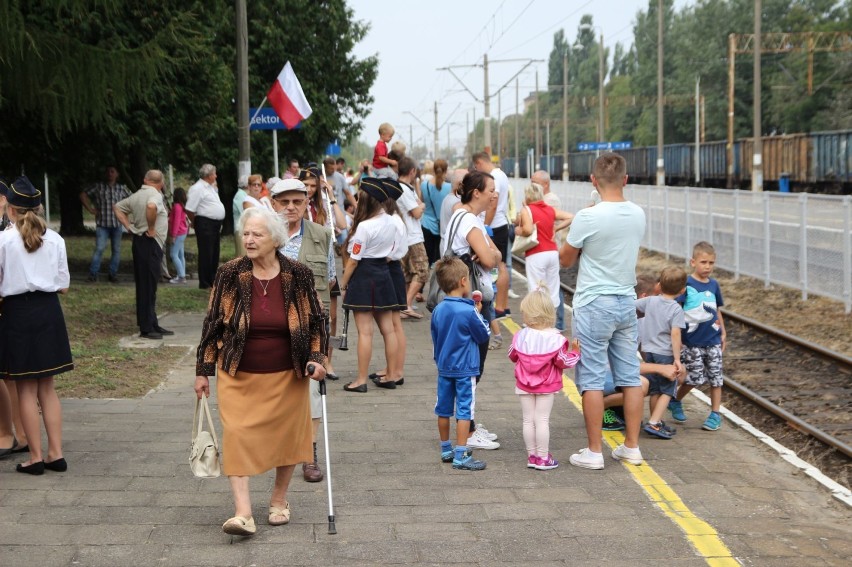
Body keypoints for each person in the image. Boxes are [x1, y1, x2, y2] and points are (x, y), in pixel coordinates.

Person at [194, 206, 328, 536]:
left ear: (275, 239)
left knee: (287, 439)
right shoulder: (229, 273)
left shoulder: (298, 274)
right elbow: (212, 323)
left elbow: (315, 321)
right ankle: (243, 513)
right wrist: (202, 370)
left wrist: (318, 358)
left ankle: (279, 500)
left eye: (258, 234)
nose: (250, 240)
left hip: (287, 374)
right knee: (237, 436)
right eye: (247, 233)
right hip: (238, 373)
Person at [559, 153, 646, 470]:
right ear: (626, 179)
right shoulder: (638, 214)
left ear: (593, 181)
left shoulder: (587, 216)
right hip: (626, 302)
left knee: (592, 379)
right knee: (630, 378)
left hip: (594, 304)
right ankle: (631, 447)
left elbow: (566, 260)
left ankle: (594, 452)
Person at [0, 176, 73, 475]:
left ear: (11, 210)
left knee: (26, 389)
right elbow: (64, 286)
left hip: (18, 313)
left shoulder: (3, 241)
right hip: (49, 311)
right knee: (48, 388)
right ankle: (56, 453)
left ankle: (35, 456)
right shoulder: (55, 239)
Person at [268, 178, 335, 482]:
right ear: (274, 204)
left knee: (311, 391)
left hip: (309, 327)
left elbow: (330, 281)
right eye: (285, 202)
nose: (291, 207)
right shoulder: (263, 234)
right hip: (270, 326)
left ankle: (309, 454)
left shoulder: (322, 235)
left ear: (308, 203)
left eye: (298, 201)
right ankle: (280, 447)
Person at [442, 171, 502, 451]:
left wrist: (493, 254)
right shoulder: (469, 220)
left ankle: (471, 424)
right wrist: (491, 254)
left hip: (462, 301)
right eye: (491, 189)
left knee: (469, 368)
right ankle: (468, 431)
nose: (494, 194)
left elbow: (494, 256)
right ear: (476, 192)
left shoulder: (461, 216)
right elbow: (491, 258)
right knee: (471, 369)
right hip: (472, 304)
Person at [339, 178, 404, 392]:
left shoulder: (364, 227)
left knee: (365, 333)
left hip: (364, 278)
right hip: (384, 275)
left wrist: (343, 283)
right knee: (389, 331)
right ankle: (391, 376)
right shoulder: (391, 220)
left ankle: (361, 380)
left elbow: (354, 260)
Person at [508, 284, 580, 470]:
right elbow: (563, 362)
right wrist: (575, 353)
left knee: (527, 420)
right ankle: (543, 457)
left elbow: (512, 356)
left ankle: (531, 456)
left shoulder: (520, 336)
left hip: (524, 384)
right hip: (547, 385)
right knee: (542, 420)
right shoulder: (556, 339)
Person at [430, 257, 491, 470]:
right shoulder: (467, 311)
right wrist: (479, 312)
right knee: (465, 410)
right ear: (464, 281)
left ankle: (445, 448)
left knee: (443, 409)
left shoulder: (438, 310)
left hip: (444, 367)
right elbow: (483, 334)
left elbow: (435, 337)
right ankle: (461, 453)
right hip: (465, 369)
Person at [669, 241, 727, 431]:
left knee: (716, 378)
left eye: (711, 263)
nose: (707, 267)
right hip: (692, 342)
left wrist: (723, 332)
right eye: (703, 262)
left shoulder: (714, 285)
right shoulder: (686, 284)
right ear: (693, 262)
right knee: (694, 378)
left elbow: (716, 309)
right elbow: (677, 309)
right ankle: (675, 400)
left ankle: (715, 413)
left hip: (712, 340)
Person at [114, 170, 171, 340]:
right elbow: (151, 207)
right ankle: (146, 327)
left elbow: (117, 207)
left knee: (147, 284)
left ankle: (152, 322)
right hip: (150, 242)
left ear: (145, 180)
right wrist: (152, 228)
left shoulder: (136, 195)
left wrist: (128, 226)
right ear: (161, 183)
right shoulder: (155, 195)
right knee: (148, 285)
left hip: (139, 241)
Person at [636, 266, 687, 439]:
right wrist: (677, 359)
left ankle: (655, 421)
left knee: (656, 388)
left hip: (648, 350)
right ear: (682, 290)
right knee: (668, 390)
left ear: (660, 285)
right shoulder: (676, 309)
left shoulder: (650, 301)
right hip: (665, 353)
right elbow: (675, 333)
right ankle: (654, 423)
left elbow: (632, 305)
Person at [515, 183, 573, 324]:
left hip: (536, 253)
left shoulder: (527, 209)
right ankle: (552, 322)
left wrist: (519, 231)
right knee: (552, 288)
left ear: (527, 195)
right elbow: (571, 217)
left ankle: (536, 321)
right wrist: (556, 229)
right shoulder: (550, 209)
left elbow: (528, 230)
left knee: (536, 288)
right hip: (552, 253)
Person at [471, 152, 511, 324]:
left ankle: (499, 307)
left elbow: (493, 204)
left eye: (475, 167)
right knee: (502, 266)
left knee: (498, 266)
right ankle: (502, 305)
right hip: (501, 223)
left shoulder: (493, 177)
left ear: (479, 163)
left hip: (495, 225)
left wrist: (485, 226)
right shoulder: (501, 174)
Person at [80, 166, 131, 283]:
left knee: (116, 250)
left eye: (113, 171)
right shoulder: (98, 187)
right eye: (108, 171)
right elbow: (83, 195)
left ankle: (112, 274)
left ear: (117, 174)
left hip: (117, 224)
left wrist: (125, 215)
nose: (110, 174)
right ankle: (93, 274)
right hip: (102, 224)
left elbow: (131, 201)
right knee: (99, 249)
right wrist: (90, 209)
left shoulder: (121, 189)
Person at [395, 157, 428, 319]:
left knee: (408, 273)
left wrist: (418, 205)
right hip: (412, 237)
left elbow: (418, 204)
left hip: (404, 236)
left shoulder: (404, 188)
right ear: (412, 171)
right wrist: (420, 207)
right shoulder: (403, 189)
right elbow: (417, 211)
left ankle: (404, 304)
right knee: (422, 270)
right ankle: (406, 305)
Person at [186, 163, 225, 289]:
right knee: (206, 253)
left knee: (214, 252)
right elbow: (190, 209)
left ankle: (213, 279)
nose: (216, 175)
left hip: (214, 223)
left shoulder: (210, 187)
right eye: (214, 173)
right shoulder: (198, 188)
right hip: (205, 222)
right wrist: (195, 222)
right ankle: (204, 282)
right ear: (208, 175)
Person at [420, 159, 452, 266]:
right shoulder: (449, 187)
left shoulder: (424, 185)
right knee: (440, 260)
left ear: (433, 170)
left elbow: (422, 201)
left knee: (428, 258)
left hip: (427, 224)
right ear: (445, 171)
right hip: (443, 227)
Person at [168, 187, 189, 284]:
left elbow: (176, 222)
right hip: (183, 232)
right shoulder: (182, 206)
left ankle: (181, 276)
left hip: (178, 233)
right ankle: (182, 274)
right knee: (180, 255)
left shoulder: (176, 206)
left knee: (173, 254)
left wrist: (173, 235)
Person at [232, 176, 249, 257]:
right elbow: (244, 212)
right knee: (242, 255)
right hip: (240, 229)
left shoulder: (243, 194)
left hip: (244, 229)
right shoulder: (240, 195)